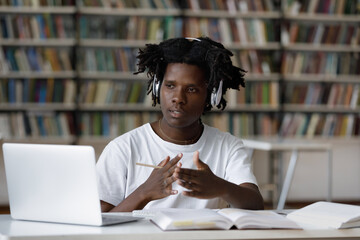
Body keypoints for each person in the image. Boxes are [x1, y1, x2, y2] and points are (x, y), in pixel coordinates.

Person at [96, 37, 264, 212]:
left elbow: (256, 205)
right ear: (157, 88)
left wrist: (221, 187)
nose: (178, 98)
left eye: (191, 89)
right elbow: (100, 224)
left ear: (210, 96)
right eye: (170, 86)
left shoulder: (228, 147)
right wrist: (143, 193)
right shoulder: (123, 148)